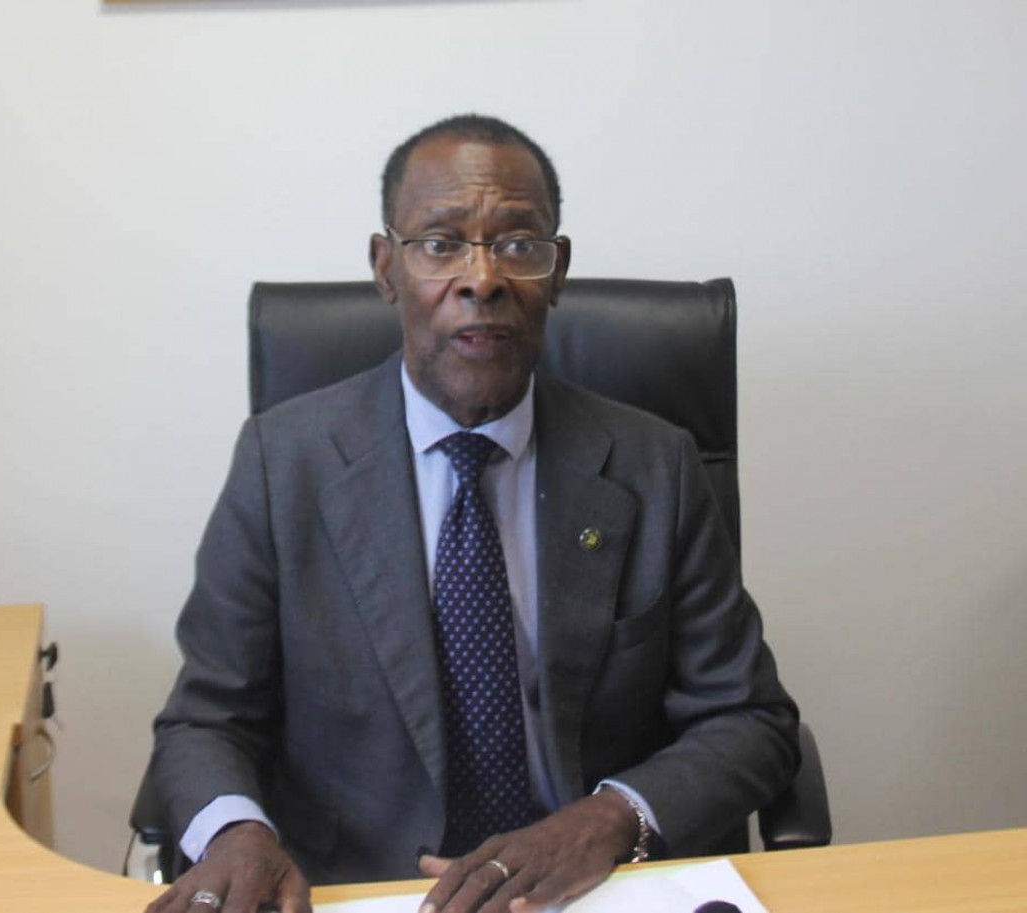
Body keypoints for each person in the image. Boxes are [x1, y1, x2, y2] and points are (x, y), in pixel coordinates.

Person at [145, 115, 799, 913]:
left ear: (557, 271)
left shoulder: (654, 463)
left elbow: (750, 719)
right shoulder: (284, 464)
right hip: (365, 892)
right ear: (386, 268)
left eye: (518, 244)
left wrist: (606, 819)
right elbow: (206, 720)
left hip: (588, 888)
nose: (481, 278)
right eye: (440, 242)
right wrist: (237, 833)